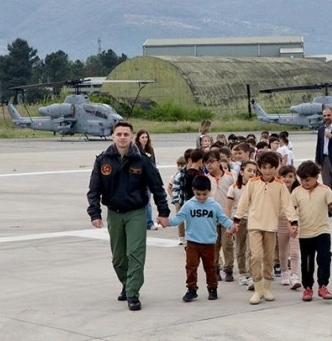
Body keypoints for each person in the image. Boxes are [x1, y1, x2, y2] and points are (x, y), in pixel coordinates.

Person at [87, 121, 171, 311]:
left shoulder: (142, 159)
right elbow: (94, 189)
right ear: (112, 136)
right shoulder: (103, 160)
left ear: (132, 136)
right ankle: (126, 283)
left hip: (136, 213)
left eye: (126, 134)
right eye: (119, 134)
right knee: (118, 258)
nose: (122, 137)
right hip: (114, 213)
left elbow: (157, 187)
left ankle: (133, 293)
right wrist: (95, 213)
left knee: (135, 253)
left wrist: (163, 212)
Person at [232, 151, 298, 305]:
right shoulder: (253, 183)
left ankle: (267, 287)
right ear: (259, 168)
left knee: (268, 258)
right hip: (254, 224)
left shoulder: (280, 185)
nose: (267, 171)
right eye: (264, 167)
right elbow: (243, 202)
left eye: (270, 167)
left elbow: (287, 205)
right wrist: (236, 220)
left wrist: (293, 222)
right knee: (255, 256)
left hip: (271, 226)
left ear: (276, 168)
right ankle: (257, 288)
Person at [162, 176, 235, 302]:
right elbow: (178, 218)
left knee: (210, 267)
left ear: (209, 191)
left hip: (209, 243)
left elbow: (223, 218)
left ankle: (212, 288)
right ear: (193, 190)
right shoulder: (189, 205)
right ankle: (191, 289)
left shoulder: (214, 205)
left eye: (204, 194)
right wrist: (167, 221)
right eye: (198, 194)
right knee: (191, 267)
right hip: (192, 243)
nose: (201, 197)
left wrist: (232, 226)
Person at [294, 161, 332, 301]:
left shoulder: (325, 190)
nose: (305, 183)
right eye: (302, 180)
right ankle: (308, 288)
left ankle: (323, 286)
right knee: (307, 262)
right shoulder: (296, 192)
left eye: (308, 180)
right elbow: (292, 211)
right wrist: (293, 224)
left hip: (322, 231)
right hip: (305, 233)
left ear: (317, 176)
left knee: (324, 259)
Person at [204, 150, 236, 282]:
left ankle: (228, 268)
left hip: (226, 215)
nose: (209, 165)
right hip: (211, 217)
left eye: (211, 162)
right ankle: (215, 268)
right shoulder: (205, 179)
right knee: (214, 244)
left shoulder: (230, 177)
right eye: (206, 163)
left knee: (227, 243)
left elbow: (235, 195)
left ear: (218, 161)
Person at [226, 160, 258, 287]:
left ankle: (251, 274)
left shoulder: (257, 187)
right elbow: (228, 207)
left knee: (252, 249)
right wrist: (230, 223)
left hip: (253, 219)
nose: (252, 173)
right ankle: (242, 273)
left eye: (254, 171)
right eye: (249, 170)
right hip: (239, 220)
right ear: (242, 172)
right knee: (240, 248)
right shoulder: (234, 188)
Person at [278, 165, 302, 290]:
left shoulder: (298, 190)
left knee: (294, 251)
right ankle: (284, 272)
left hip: (295, 223)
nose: (287, 179)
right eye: (284, 176)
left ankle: (294, 274)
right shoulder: (276, 189)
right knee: (283, 252)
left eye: (290, 176)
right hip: (280, 223)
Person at [135, 129, 160, 230]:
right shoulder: (135, 150)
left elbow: (153, 165)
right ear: (138, 139)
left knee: (147, 201)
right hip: (137, 179)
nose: (145, 139)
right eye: (142, 137)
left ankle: (149, 222)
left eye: (146, 137)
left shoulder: (150, 149)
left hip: (147, 179)